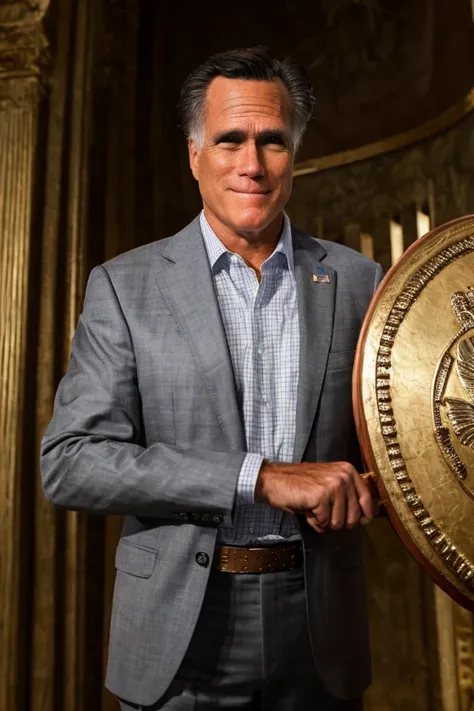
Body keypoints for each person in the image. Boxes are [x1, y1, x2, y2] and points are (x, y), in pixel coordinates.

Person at [41, 46, 383, 710]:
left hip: (320, 632)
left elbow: (398, 445)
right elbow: (71, 463)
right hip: (178, 633)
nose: (252, 164)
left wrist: (371, 485)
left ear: (295, 155)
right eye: (230, 141)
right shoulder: (124, 287)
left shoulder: (360, 281)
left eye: (272, 142)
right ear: (195, 154)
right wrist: (259, 476)